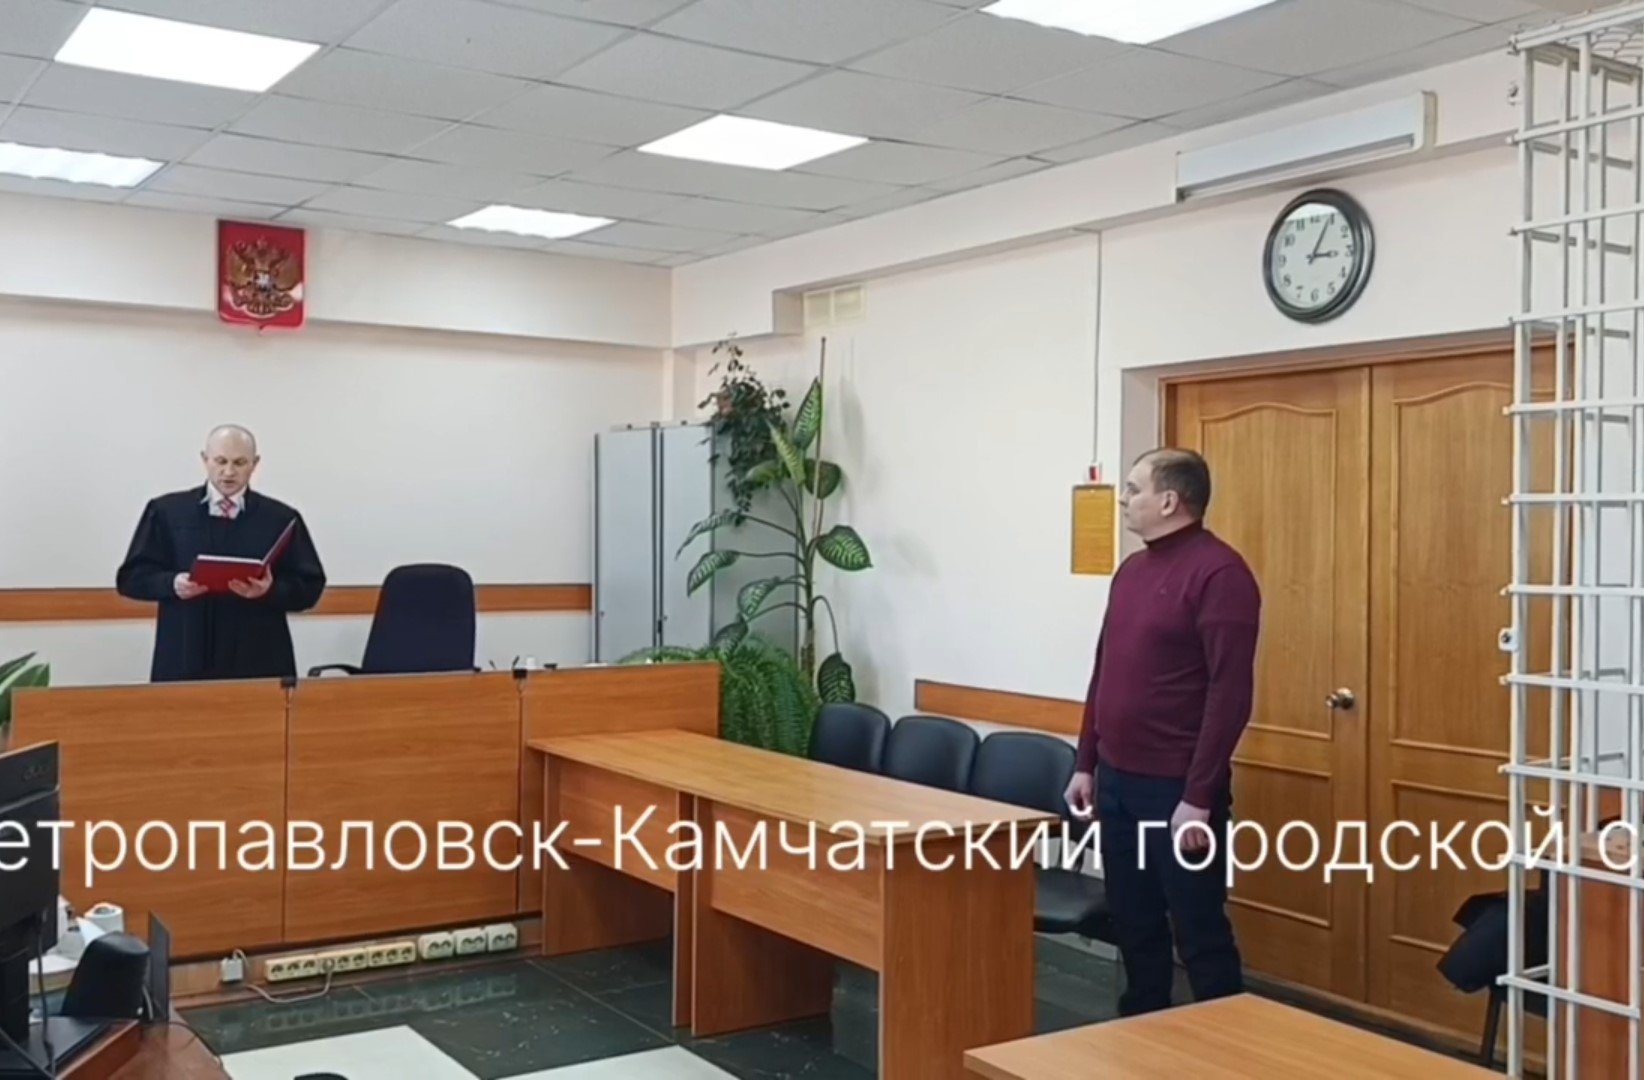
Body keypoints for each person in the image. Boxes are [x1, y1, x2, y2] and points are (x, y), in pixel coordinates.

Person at [1064, 447, 1260, 1017]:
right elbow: (1105, 671)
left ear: (1170, 500)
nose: (1123, 500)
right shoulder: (1131, 571)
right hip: (1117, 782)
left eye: (1134, 489)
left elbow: (1229, 694)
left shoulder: (1220, 574)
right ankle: (1141, 1031)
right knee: (1133, 920)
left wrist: (1198, 797)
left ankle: (1225, 1041)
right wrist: (1085, 763)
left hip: (1177, 791)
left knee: (1198, 928)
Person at [116, 425, 326, 682]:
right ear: (205, 459)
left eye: (239, 463)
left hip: (259, 659)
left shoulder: (281, 518)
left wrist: (270, 590)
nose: (229, 472)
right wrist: (172, 584)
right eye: (220, 461)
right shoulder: (166, 512)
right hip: (184, 655)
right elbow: (131, 578)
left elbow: (310, 587)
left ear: (255, 464)